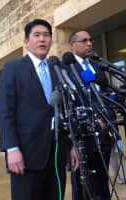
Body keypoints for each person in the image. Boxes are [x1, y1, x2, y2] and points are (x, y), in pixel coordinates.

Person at [0, 19, 78, 200]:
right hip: (25, 156)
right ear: (26, 41)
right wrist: (11, 148)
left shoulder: (56, 68)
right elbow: (4, 112)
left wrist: (71, 145)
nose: (42, 39)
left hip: (56, 155)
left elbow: (65, 110)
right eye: (37, 35)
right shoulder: (13, 68)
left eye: (47, 35)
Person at [67, 30, 112, 200]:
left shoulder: (96, 68)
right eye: (84, 40)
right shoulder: (66, 69)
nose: (89, 43)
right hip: (83, 140)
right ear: (72, 45)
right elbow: (70, 105)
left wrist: (107, 118)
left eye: (91, 40)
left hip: (103, 137)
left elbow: (106, 96)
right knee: (83, 188)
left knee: (102, 183)